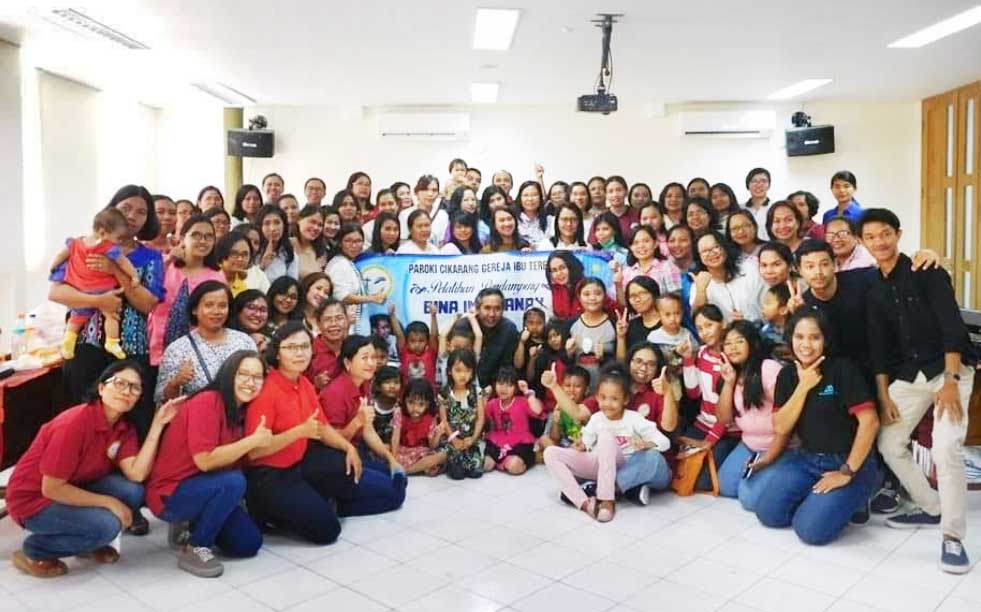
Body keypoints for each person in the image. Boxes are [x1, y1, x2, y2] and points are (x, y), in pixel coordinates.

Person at [862, 208, 975, 574]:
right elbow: (879, 347)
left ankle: (952, 536)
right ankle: (932, 507)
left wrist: (951, 381)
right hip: (912, 373)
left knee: (945, 448)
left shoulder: (927, 271)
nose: (879, 242)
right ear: (864, 243)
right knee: (888, 442)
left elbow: (952, 328)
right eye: (871, 237)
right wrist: (883, 396)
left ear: (898, 234)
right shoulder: (874, 289)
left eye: (885, 233)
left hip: (950, 368)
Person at [6, 361, 182, 578]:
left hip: (75, 484)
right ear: (101, 388)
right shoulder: (74, 423)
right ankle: (35, 551)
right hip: (35, 499)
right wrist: (110, 503)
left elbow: (137, 473)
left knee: (133, 491)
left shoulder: (122, 427)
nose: (126, 391)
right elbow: (51, 488)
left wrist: (158, 424)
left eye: (134, 388)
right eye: (119, 383)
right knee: (107, 526)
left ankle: (89, 541)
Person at [50, 185, 165, 442]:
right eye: (126, 208)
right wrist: (98, 301)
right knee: (83, 417)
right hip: (86, 346)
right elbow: (56, 293)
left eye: (142, 212)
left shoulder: (151, 257)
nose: (132, 216)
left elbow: (147, 304)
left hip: (131, 350)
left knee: (133, 421)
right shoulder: (83, 246)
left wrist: (115, 270)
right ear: (112, 209)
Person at [754, 310, 880, 546]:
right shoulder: (788, 375)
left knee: (810, 531)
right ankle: (821, 500)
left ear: (826, 340)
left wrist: (847, 472)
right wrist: (803, 386)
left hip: (848, 461)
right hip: (807, 459)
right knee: (768, 514)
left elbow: (870, 422)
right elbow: (781, 426)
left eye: (814, 337)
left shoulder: (843, 369)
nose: (806, 345)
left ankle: (859, 494)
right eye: (799, 337)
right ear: (790, 338)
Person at [146, 351, 266, 577]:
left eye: (257, 377)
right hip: (171, 494)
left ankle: (192, 524)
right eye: (243, 374)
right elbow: (205, 460)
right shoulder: (207, 401)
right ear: (229, 374)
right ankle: (196, 546)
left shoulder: (241, 410)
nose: (250, 382)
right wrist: (254, 441)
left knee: (249, 544)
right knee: (234, 482)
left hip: (209, 488)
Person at [241, 323, 357, 544]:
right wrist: (299, 431)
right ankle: (265, 512)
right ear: (277, 352)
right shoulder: (267, 390)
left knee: (342, 463)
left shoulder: (303, 383)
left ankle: (308, 502)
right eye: (291, 347)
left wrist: (348, 447)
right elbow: (254, 452)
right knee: (328, 531)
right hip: (268, 475)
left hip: (297, 465)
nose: (300, 353)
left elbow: (322, 426)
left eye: (304, 346)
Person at [543, 364, 671, 522]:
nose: (608, 404)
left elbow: (665, 442)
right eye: (603, 398)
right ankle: (585, 503)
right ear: (597, 397)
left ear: (625, 399)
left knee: (612, 439)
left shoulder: (634, 418)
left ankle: (606, 500)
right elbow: (586, 443)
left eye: (614, 399)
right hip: (600, 467)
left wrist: (648, 444)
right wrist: (581, 445)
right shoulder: (596, 418)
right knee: (550, 452)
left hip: (625, 468)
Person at [318, 336, 410, 501]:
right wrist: (357, 422)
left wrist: (391, 459)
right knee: (396, 494)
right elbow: (330, 441)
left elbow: (368, 430)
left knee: (398, 479)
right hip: (335, 459)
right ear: (348, 363)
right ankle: (335, 502)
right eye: (364, 358)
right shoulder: (335, 393)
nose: (371, 363)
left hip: (355, 450)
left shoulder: (364, 384)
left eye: (373, 357)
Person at [715, 322, 789, 510]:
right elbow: (724, 419)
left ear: (752, 343)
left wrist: (770, 456)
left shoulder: (768, 368)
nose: (733, 347)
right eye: (728, 343)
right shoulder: (731, 373)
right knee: (726, 487)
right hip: (749, 443)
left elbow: (788, 418)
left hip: (778, 445)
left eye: (739, 341)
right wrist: (729, 383)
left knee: (748, 499)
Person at [52, 208, 140, 360]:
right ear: (102, 233)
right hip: (102, 289)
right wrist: (134, 275)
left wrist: (53, 266)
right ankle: (112, 342)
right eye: (118, 238)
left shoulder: (75, 243)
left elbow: (61, 255)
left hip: (79, 289)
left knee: (76, 317)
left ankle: (68, 341)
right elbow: (123, 262)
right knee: (111, 316)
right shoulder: (107, 247)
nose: (119, 242)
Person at [155, 281, 257, 402]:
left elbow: (257, 381)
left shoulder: (244, 342)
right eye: (209, 305)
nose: (216, 311)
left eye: (222, 306)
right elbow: (164, 400)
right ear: (194, 309)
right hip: (198, 412)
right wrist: (176, 382)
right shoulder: (178, 349)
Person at [148, 215, 225, 368]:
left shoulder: (217, 276)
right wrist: (169, 260)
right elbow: (145, 291)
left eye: (209, 236)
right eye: (196, 235)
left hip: (194, 354)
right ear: (183, 238)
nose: (203, 241)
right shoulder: (164, 262)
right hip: (152, 345)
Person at [679, 305, 738, 488]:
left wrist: (709, 441)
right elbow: (693, 392)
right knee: (679, 467)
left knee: (703, 482)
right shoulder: (702, 353)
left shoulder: (731, 358)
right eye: (699, 328)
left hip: (728, 431)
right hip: (703, 424)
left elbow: (729, 408)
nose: (704, 332)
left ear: (723, 324)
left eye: (709, 325)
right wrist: (688, 359)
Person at [691, 231, 767, 322]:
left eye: (716, 247)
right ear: (699, 257)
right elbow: (696, 316)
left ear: (724, 247)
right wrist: (701, 290)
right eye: (705, 251)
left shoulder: (749, 269)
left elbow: (767, 300)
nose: (711, 253)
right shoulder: (698, 283)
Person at [482, 366, 543, 475]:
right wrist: (484, 396)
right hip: (497, 441)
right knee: (485, 465)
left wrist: (527, 391)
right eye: (500, 384)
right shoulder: (493, 403)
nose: (503, 389)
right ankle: (502, 461)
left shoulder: (522, 401)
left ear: (515, 388)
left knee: (514, 466)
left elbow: (538, 410)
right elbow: (481, 414)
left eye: (509, 385)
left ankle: (534, 457)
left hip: (520, 443)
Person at [326, 224, 385, 335]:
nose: (354, 245)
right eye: (348, 241)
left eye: (358, 241)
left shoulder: (349, 263)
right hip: (347, 331)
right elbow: (342, 297)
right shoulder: (339, 264)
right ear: (340, 243)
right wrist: (371, 298)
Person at [438, 348, 486, 479]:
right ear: (449, 371)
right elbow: (444, 421)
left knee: (476, 473)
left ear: (472, 372)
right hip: (452, 440)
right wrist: (454, 439)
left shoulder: (477, 392)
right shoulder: (444, 394)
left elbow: (480, 418)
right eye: (458, 370)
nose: (463, 375)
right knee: (457, 474)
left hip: (471, 440)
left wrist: (473, 438)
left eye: (467, 370)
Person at [569, 278, 617, 393]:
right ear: (579, 297)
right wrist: (568, 353)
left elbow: (621, 360)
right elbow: (566, 362)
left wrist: (604, 358)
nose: (592, 298)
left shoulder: (614, 323)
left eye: (598, 293)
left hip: (606, 389)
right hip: (577, 391)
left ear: (605, 296)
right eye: (586, 294)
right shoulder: (572, 324)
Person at [397, 379, 449, 475]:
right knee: (385, 448)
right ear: (404, 400)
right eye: (411, 402)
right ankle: (416, 469)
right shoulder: (399, 414)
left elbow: (432, 446)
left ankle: (406, 471)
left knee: (442, 456)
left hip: (420, 453)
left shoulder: (430, 419)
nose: (415, 408)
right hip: (401, 451)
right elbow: (394, 439)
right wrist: (392, 457)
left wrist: (438, 435)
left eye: (421, 404)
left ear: (427, 404)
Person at [617, 225, 682, 300]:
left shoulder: (667, 267)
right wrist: (618, 284)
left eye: (646, 241)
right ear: (630, 247)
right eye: (636, 242)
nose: (641, 246)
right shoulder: (626, 273)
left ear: (655, 243)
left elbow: (676, 298)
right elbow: (625, 303)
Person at [390, 302, 440, 388]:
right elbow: (399, 336)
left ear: (427, 342)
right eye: (412, 341)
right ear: (407, 342)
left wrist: (433, 316)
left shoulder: (431, 354)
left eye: (421, 341)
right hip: (407, 395)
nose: (417, 344)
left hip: (428, 394)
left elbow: (434, 336)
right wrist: (392, 315)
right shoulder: (404, 353)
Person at [305, 299, 349, 389]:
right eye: (327, 319)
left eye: (339, 318)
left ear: (347, 320)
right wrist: (315, 385)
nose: (334, 324)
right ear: (318, 324)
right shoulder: (308, 352)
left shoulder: (354, 349)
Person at [216, 231, 269, 297]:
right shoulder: (211, 280)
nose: (240, 259)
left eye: (245, 254)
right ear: (222, 254)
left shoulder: (241, 282)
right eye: (234, 254)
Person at [399, 175, 447, 246]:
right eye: (425, 190)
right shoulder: (405, 214)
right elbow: (403, 241)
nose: (430, 194)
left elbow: (442, 243)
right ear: (416, 192)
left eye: (434, 190)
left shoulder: (442, 215)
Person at [254, 205, 298, 282]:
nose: (273, 228)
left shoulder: (290, 255)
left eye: (277, 222)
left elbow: (292, 285)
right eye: (267, 223)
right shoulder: (253, 252)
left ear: (284, 225)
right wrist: (262, 266)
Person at [290, 205, 328, 279]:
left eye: (320, 225)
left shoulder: (321, 251)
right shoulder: (288, 245)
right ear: (299, 220)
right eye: (312, 222)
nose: (316, 227)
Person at [623, 277, 661, 348]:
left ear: (654, 294)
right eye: (632, 296)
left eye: (642, 294)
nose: (637, 299)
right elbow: (622, 355)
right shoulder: (630, 325)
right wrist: (621, 337)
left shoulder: (669, 321)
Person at [515, 180, 549, 245]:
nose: (530, 199)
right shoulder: (513, 220)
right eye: (526, 195)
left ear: (540, 198)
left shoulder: (549, 220)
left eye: (534, 195)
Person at [744, 167, 772, 239]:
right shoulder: (740, 208)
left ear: (769, 185)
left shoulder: (775, 207)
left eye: (763, 181)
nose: (759, 185)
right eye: (754, 181)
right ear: (748, 185)